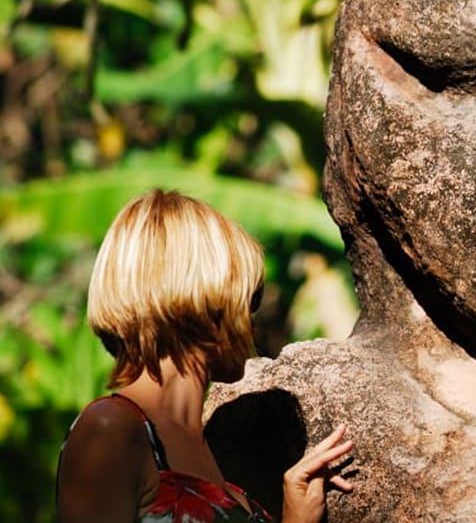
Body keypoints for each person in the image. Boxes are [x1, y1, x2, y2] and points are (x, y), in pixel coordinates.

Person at [56, 189, 354, 523]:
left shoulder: (203, 448)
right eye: (248, 301)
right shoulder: (111, 429)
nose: (251, 322)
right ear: (204, 299)